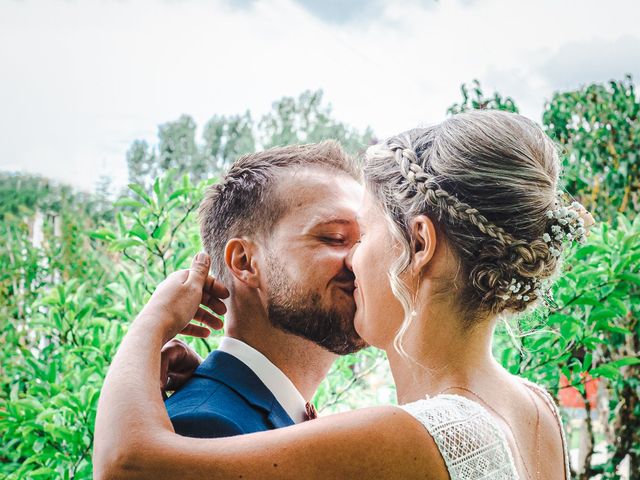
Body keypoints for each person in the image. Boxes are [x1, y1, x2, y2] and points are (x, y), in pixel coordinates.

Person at [95, 110, 592, 479]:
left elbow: (128, 461)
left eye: (365, 235)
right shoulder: (539, 411)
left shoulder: (403, 435)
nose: (354, 259)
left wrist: (152, 324)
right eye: (336, 238)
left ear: (419, 245)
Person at [163, 142, 366, 438]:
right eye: (334, 237)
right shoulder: (203, 429)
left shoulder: (275, 418)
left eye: (366, 240)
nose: (360, 258)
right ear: (245, 262)